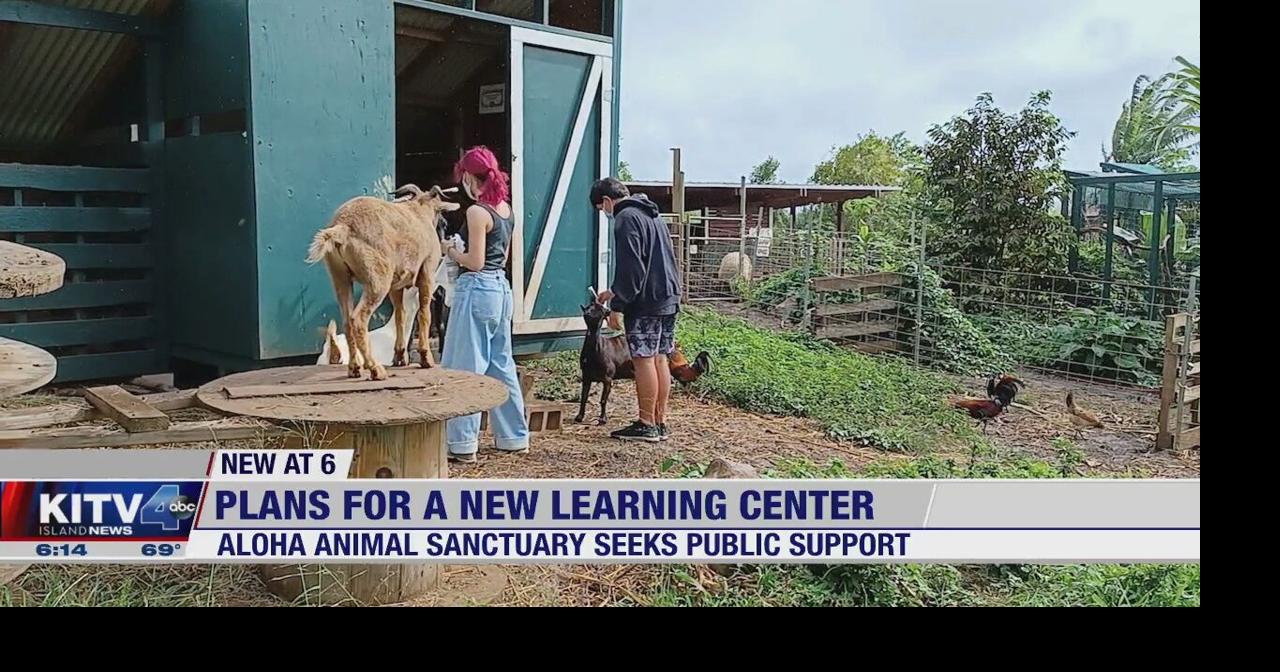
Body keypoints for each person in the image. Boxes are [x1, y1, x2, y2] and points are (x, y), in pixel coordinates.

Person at [441, 147, 529, 462]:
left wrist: (450, 250)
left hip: (476, 289)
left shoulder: (476, 212)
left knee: (465, 366)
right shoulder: (505, 210)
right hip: (500, 290)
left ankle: (462, 445)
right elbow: (499, 259)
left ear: (467, 176)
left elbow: (475, 262)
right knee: (501, 365)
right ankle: (514, 437)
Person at [590, 177, 682, 443]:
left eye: (600, 208)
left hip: (646, 301)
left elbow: (632, 267)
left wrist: (618, 305)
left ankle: (645, 423)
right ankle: (660, 420)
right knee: (660, 357)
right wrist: (615, 291)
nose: (604, 213)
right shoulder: (651, 214)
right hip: (667, 295)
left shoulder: (625, 217)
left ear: (607, 201)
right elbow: (651, 260)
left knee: (642, 359)